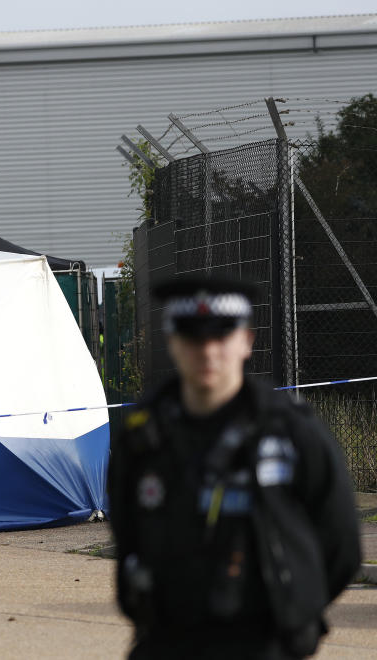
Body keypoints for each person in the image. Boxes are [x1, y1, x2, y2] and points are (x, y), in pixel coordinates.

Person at [109, 275, 361, 659]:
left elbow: (341, 544)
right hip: (168, 643)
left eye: (221, 337)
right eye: (193, 338)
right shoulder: (141, 438)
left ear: (246, 341)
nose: (208, 353)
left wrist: (293, 611)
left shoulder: (292, 433)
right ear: (172, 342)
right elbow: (128, 536)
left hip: (264, 644)